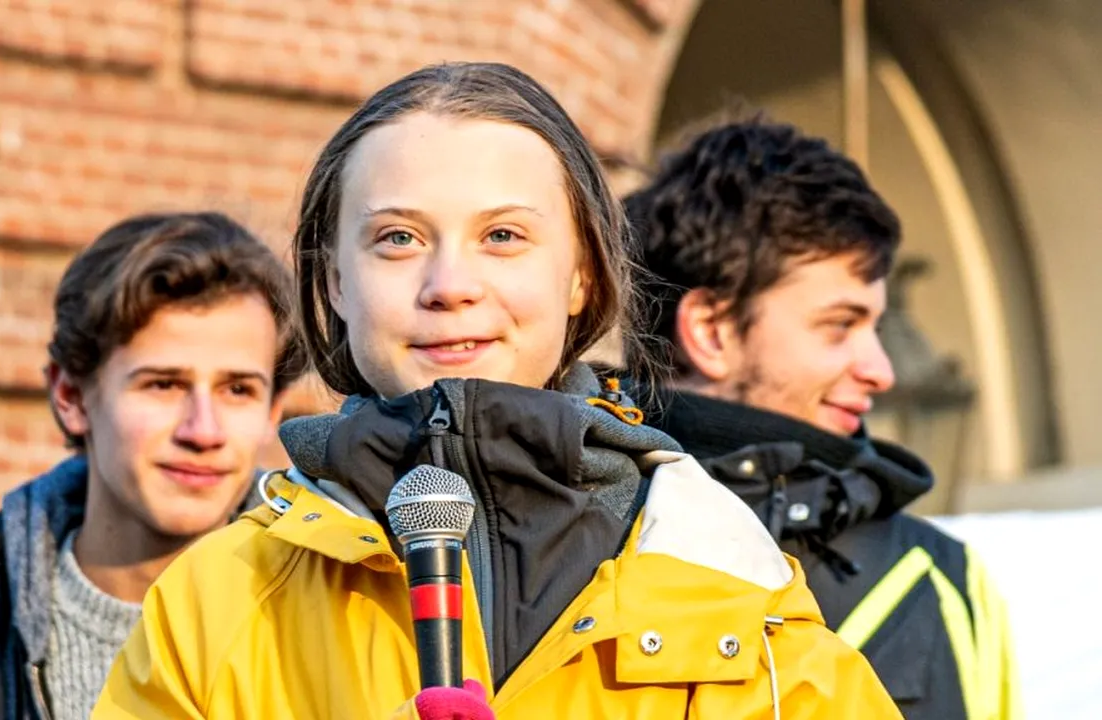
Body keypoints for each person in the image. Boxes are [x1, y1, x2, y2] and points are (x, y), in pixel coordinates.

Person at [93, 62, 901, 719]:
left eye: (503, 236)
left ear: (581, 272)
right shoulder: (217, 604)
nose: (450, 284)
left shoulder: (737, 591)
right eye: (398, 238)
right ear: (335, 281)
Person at [0, 212, 298, 719]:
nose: (203, 431)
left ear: (273, 412)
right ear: (71, 396)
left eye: (238, 390)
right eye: (163, 384)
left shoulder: (343, 615)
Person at [623, 117, 1020, 720]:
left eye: (875, 328)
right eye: (840, 325)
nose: (882, 371)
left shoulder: (947, 582)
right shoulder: (568, 544)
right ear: (712, 330)